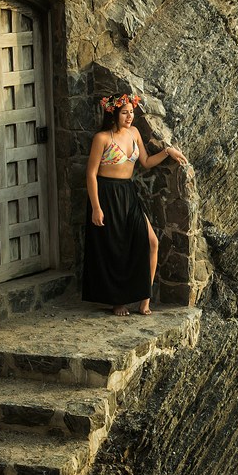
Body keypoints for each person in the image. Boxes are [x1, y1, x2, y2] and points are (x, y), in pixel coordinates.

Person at [81, 93, 188, 316]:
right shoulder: (102, 138)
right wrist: (96, 207)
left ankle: (144, 299)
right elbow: (91, 174)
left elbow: (147, 162)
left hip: (128, 193)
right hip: (107, 194)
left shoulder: (134, 133)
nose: (130, 116)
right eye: (124, 112)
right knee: (114, 250)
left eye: (131, 111)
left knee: (152, 242)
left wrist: (168, 151)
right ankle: (117, 302)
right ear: (113, 113)